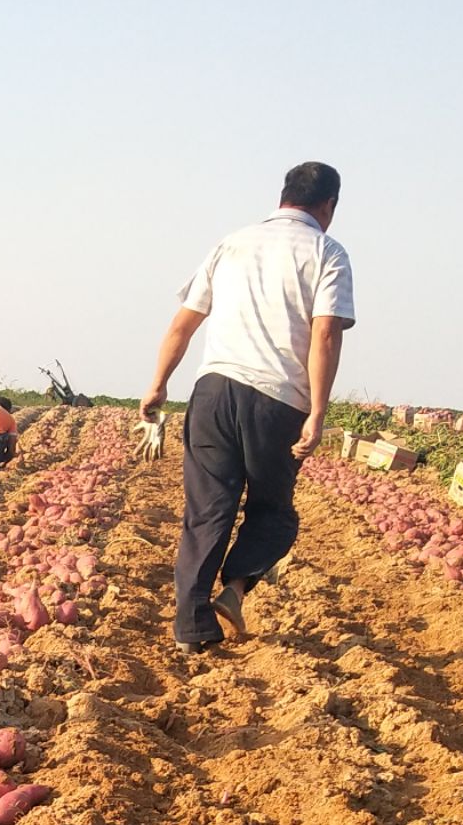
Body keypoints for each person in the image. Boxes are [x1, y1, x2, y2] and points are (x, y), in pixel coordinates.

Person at [140, 160, 355, 652]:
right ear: (329, 206)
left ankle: (191, 631)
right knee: (274, 513)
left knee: (207, 512)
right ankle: (235, 589)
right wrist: (318, 412)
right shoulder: (328, 251)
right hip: (277, 402)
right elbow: (325, 333)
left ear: (283, 197)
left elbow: (183, 324)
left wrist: (157, 384)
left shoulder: (232, 243)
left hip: (213, 392)